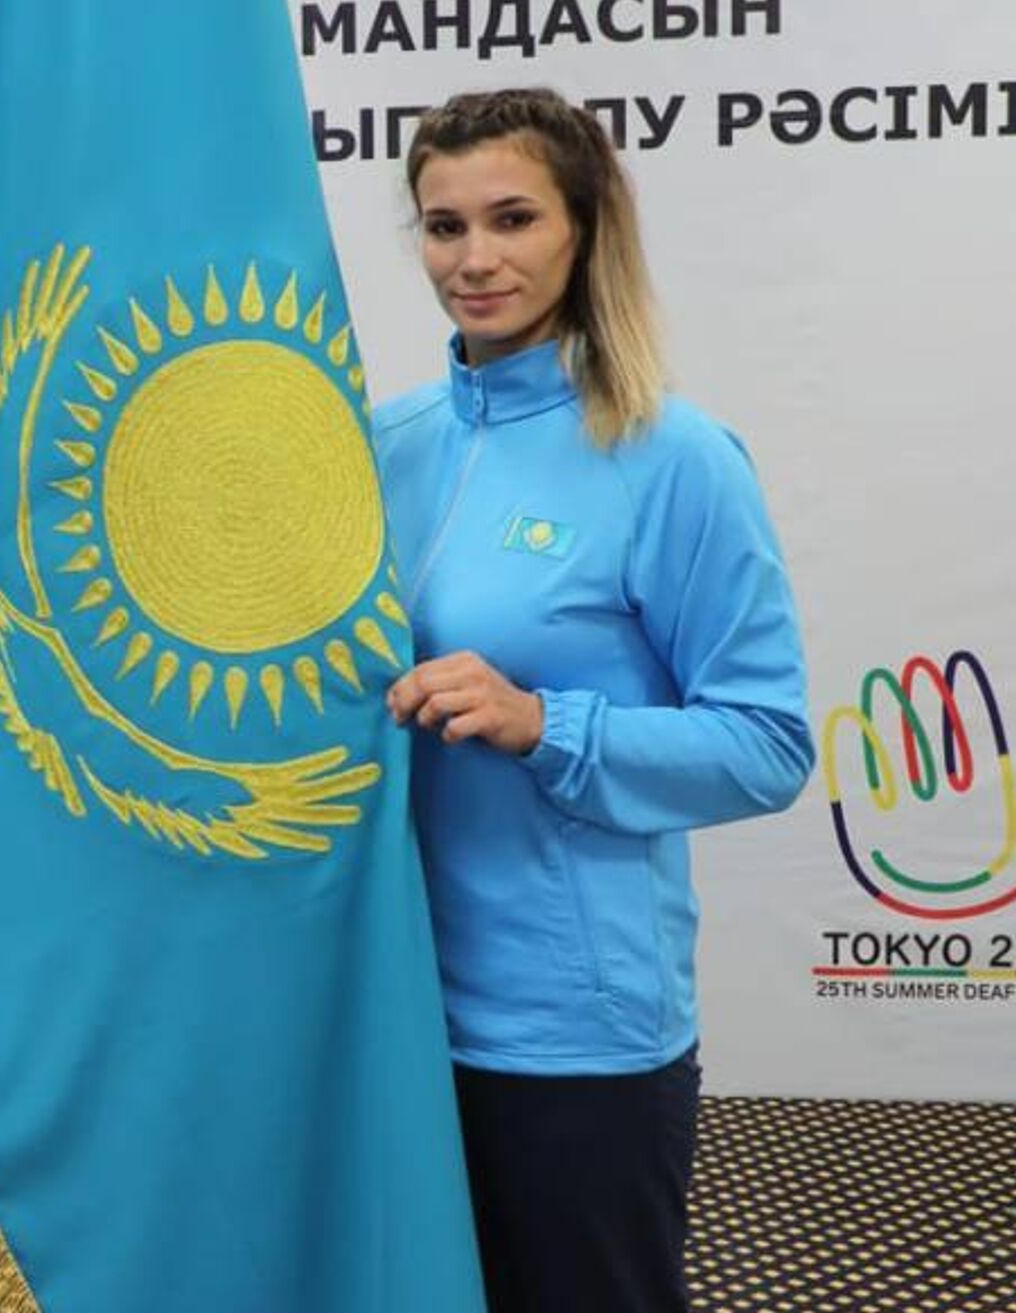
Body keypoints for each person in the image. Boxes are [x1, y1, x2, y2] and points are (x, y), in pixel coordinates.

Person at [373, 87, 814, 1313]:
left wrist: (544, 724)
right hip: (390, 1008)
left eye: (512, 218)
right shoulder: (380, 444)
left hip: (573, 1030)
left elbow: (767, 743)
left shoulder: (672, 456)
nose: (474, 259)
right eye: (444, 226)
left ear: (586, 226)